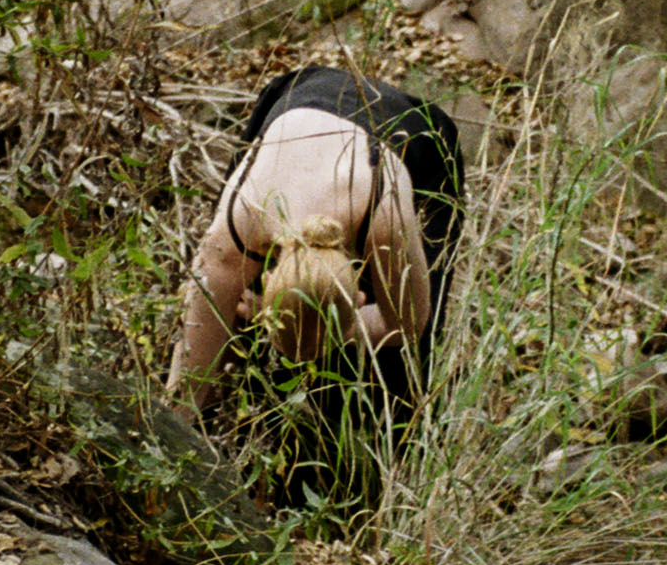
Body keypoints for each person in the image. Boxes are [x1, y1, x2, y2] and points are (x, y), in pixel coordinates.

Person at [166, 66, 461, 420]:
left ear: (359, 297)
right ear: (269, 278)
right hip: (306, 93)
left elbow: (408, 325)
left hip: (414, 139)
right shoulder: (237, 227)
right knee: (229, 314)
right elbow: (186, 383)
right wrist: (178, 424)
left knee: (395, 364)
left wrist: (347, 330)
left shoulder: (386, 218)